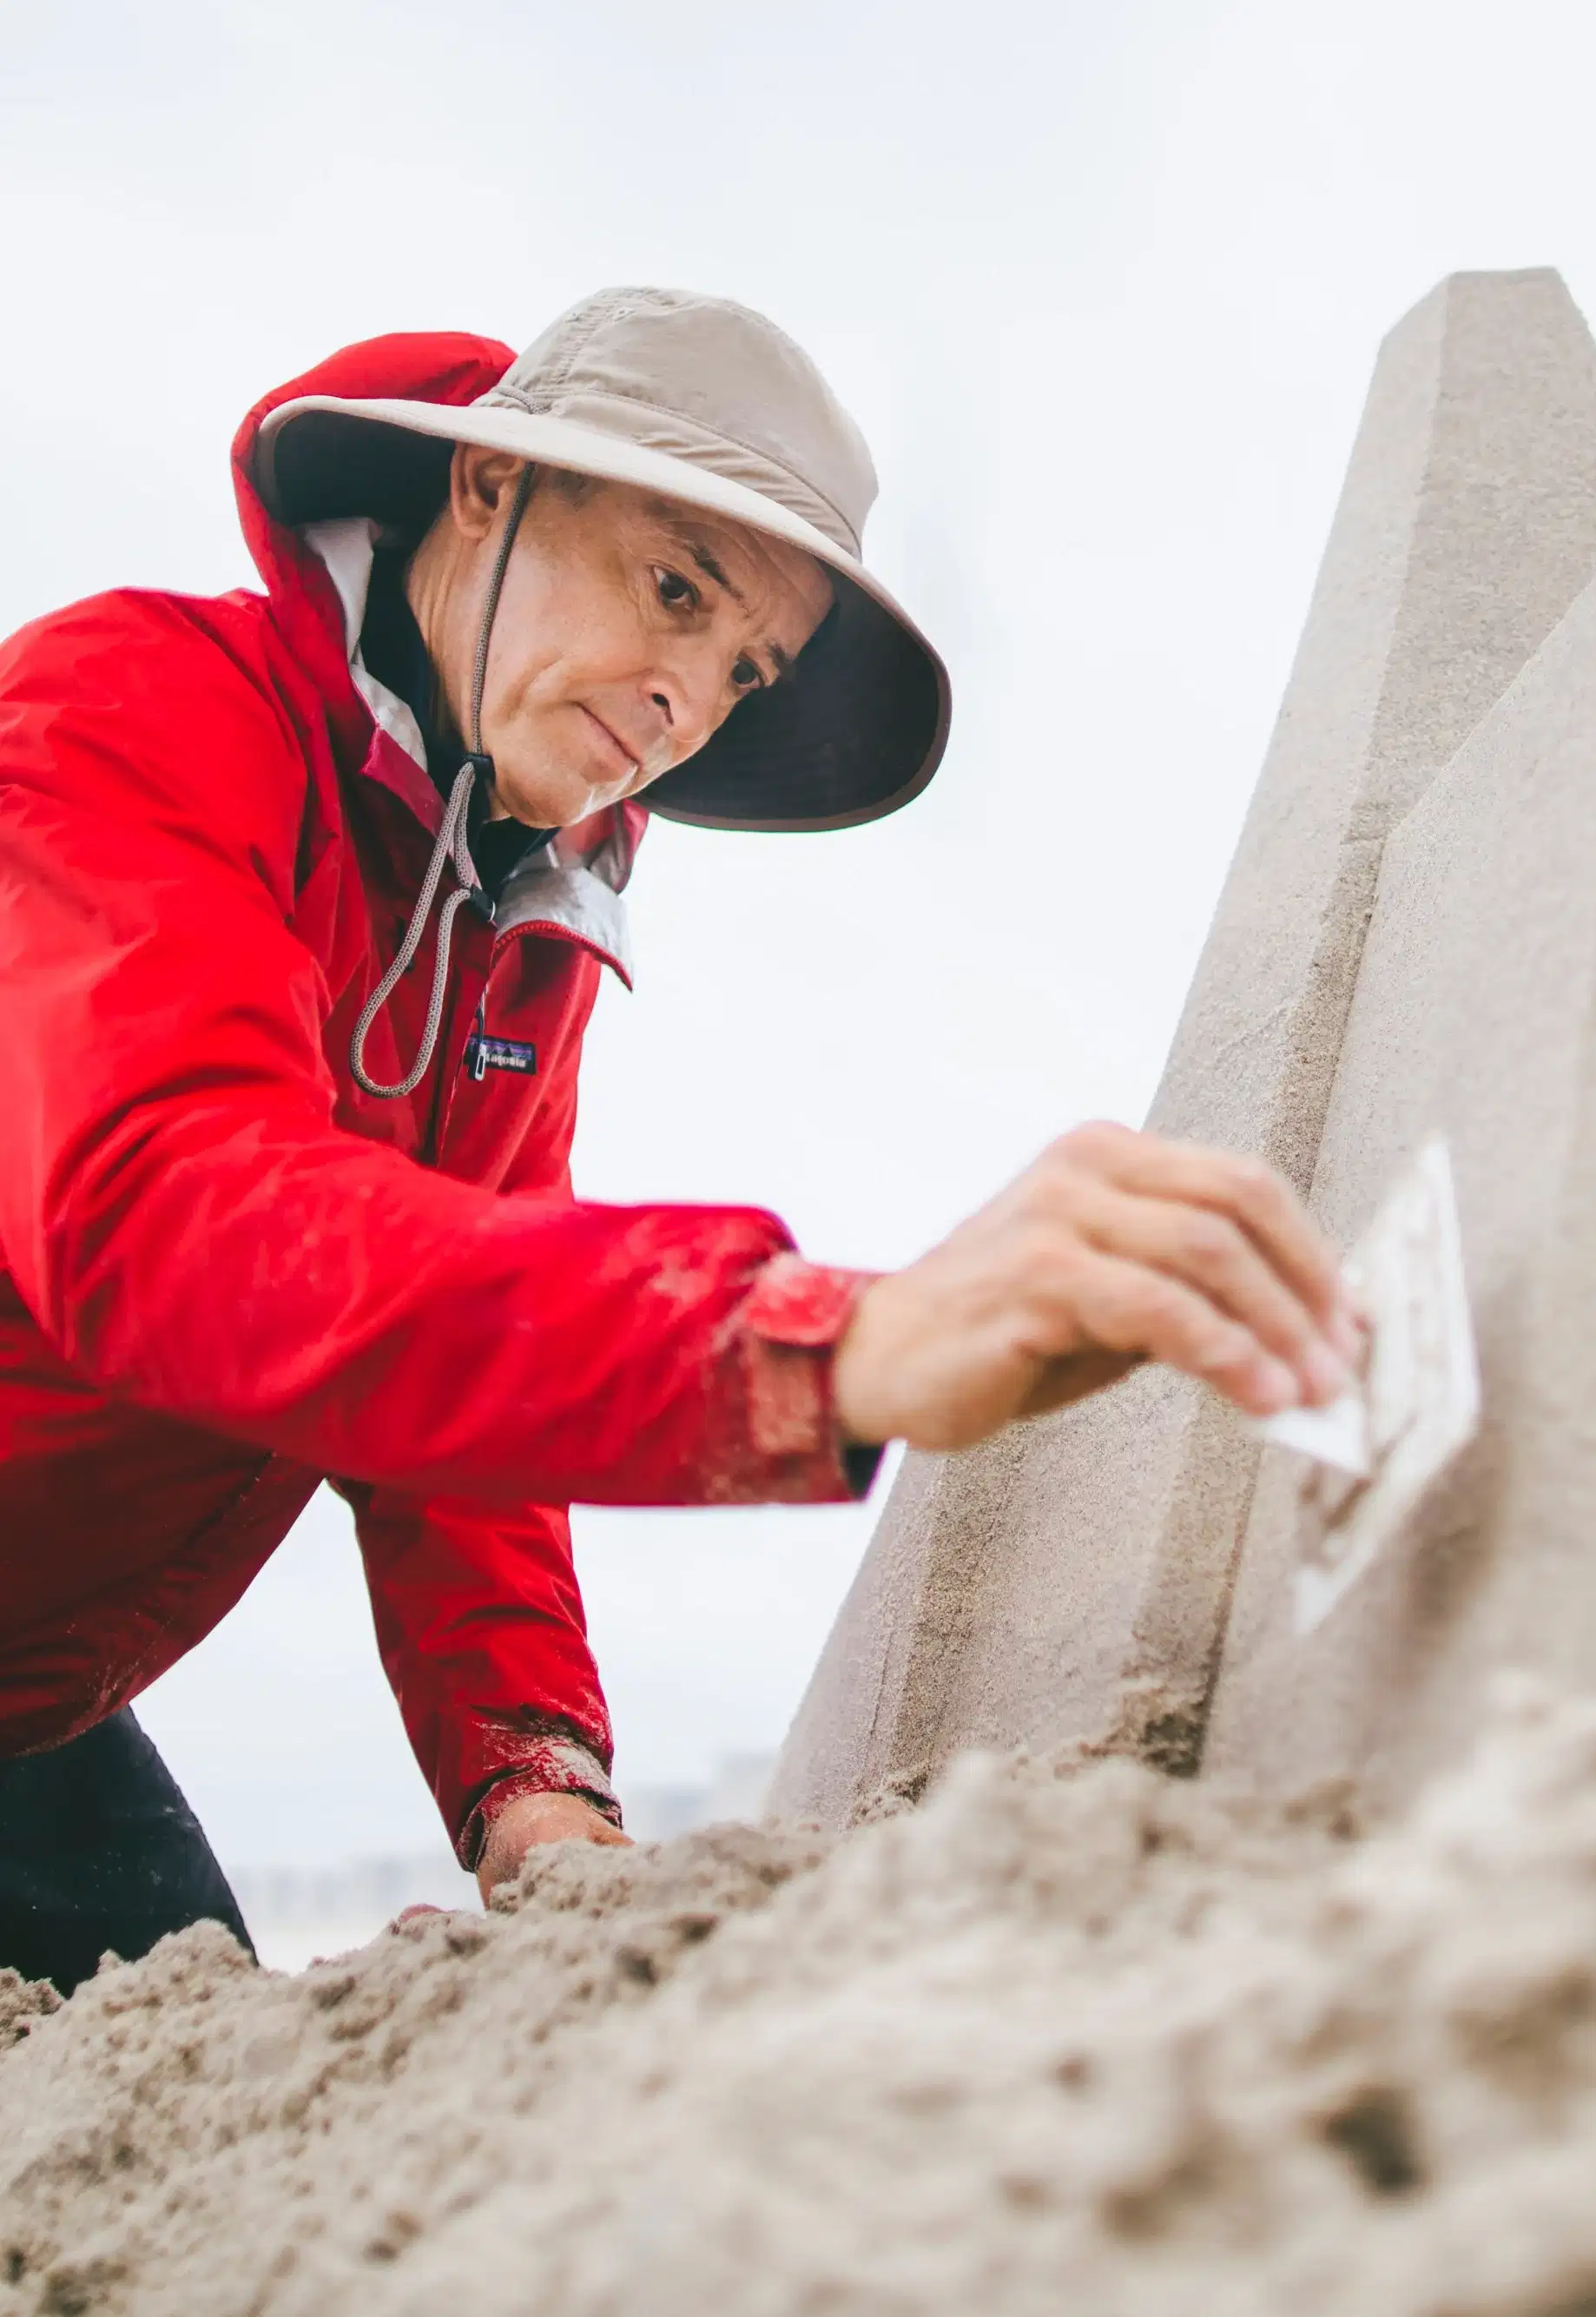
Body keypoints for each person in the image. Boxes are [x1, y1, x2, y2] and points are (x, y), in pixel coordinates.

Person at [0, 288, 1361, 1993]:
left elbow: (442, 1426)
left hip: (39, 1701)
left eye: (743, 667)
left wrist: (532, 1787)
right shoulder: (123, 711)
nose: (686, 701)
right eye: (672, 587)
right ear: (488, 487)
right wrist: (826, 1336)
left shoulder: (525, 928)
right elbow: (177, 1222)